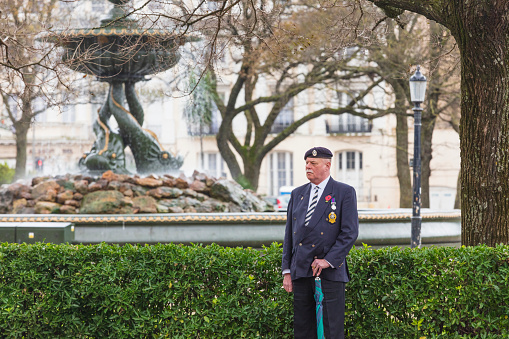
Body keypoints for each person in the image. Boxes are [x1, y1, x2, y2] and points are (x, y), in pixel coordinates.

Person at [282, 146, 359, 339]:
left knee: (330, 329)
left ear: (327, 165)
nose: (308, 167)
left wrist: (328, 260)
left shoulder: (344, 192)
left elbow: (349, 232)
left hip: (328, 272)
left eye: (313, 163)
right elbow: (289, 236)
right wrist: (287, 271)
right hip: (301, 271)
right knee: (303, 329)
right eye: (307, 163)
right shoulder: (297, 193)